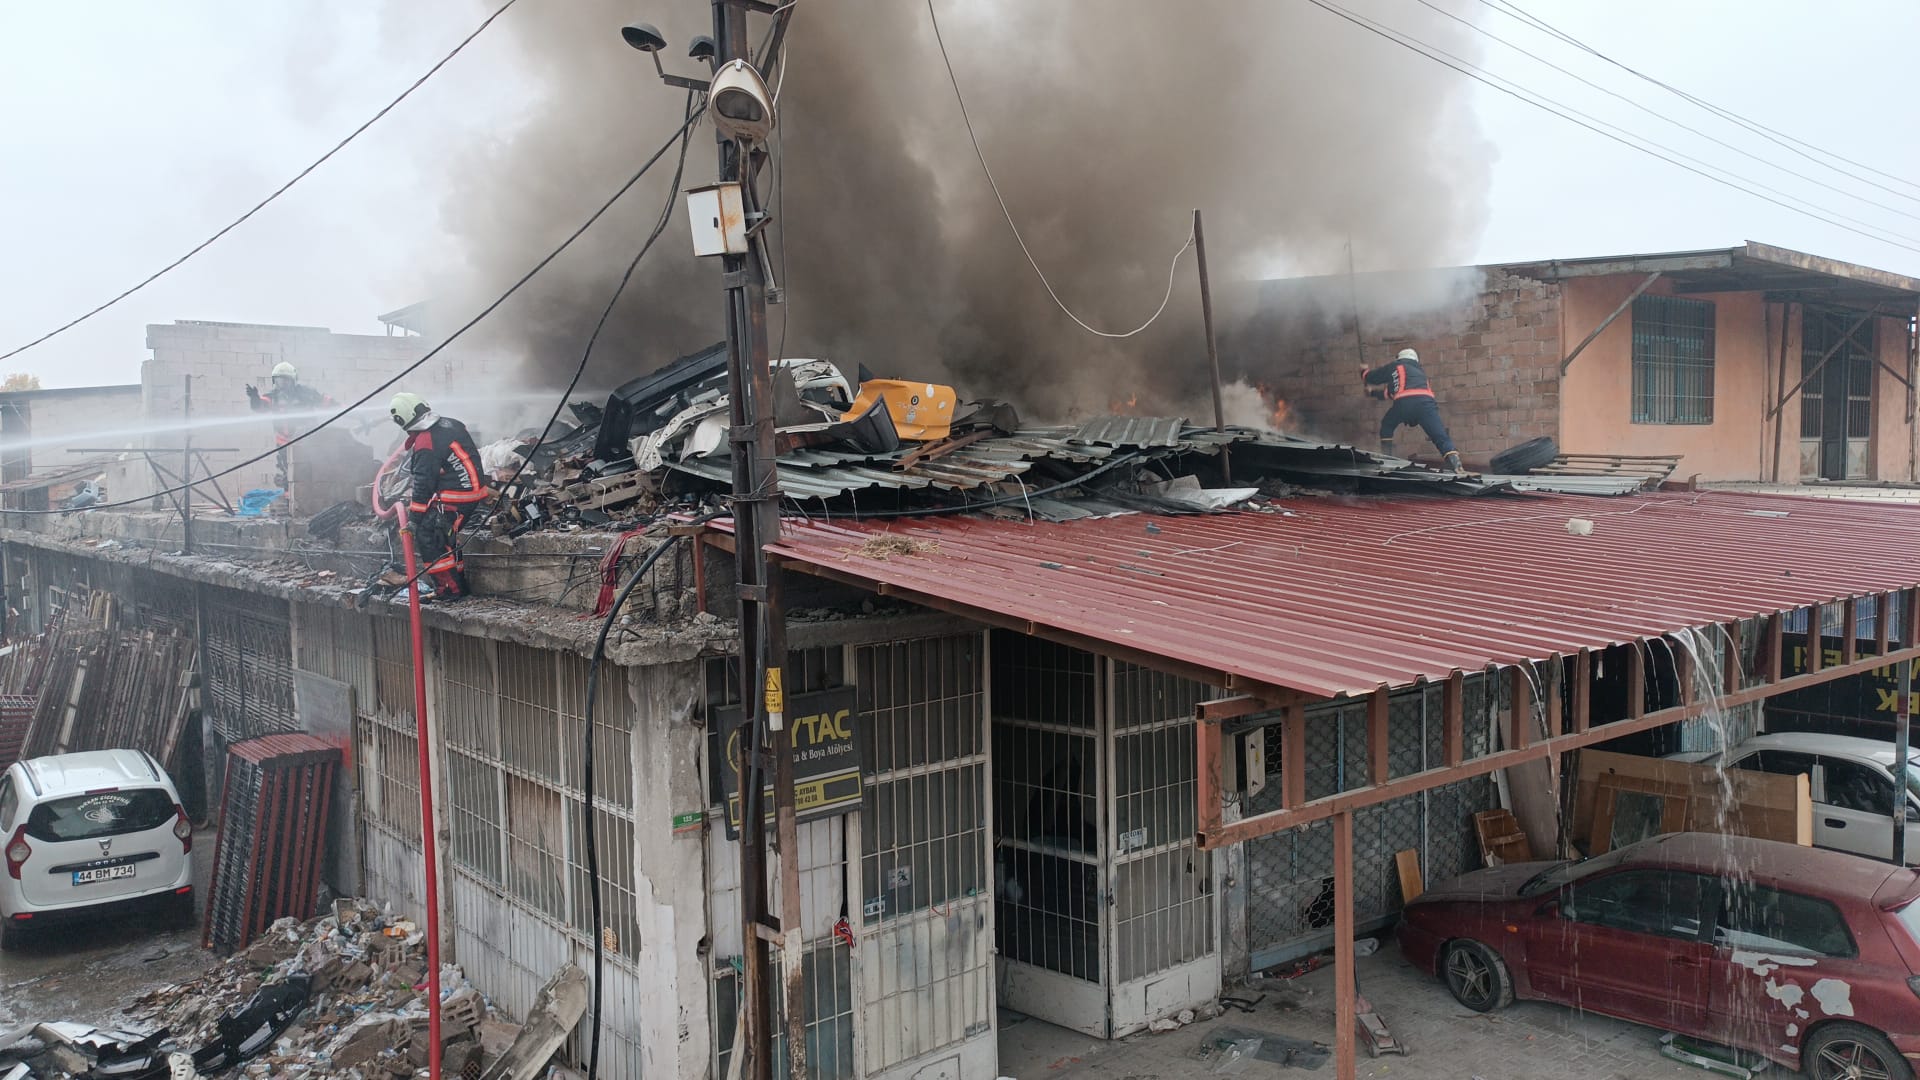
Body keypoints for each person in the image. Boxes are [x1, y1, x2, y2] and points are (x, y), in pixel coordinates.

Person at [380, 392, 489, 599]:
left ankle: (449, 590)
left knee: (429, 535)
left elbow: (423, 485)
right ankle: (459, 585)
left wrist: (413, 520)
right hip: (472, 491)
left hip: (457, 497)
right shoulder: (451, 424)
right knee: (447, 536)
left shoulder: (425, 441)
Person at [1361, 347, 1464, 474]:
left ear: (1400, 358)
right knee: (1440, 435)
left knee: (1387, 425)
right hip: (1426, 404)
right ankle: (1455, 463)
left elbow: (1373, 378)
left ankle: (1387, 458)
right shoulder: (1419, 371)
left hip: (1404, 404)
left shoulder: (1396, 366)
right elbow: (1392, 391)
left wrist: (1364, 372)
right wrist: (1372, 393)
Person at [246, 362, 332, 489]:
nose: (282, 385)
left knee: (311, 472)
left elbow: (329, 403)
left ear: (293, 381)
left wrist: (357, 414)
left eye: (285, 381)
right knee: (287, 476)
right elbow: (260, 406)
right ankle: (290, 502)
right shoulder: (272, 397)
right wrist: (254, 398)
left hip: (309, 442)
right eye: (279, 381)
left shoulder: (306, 394)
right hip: (284, 444)